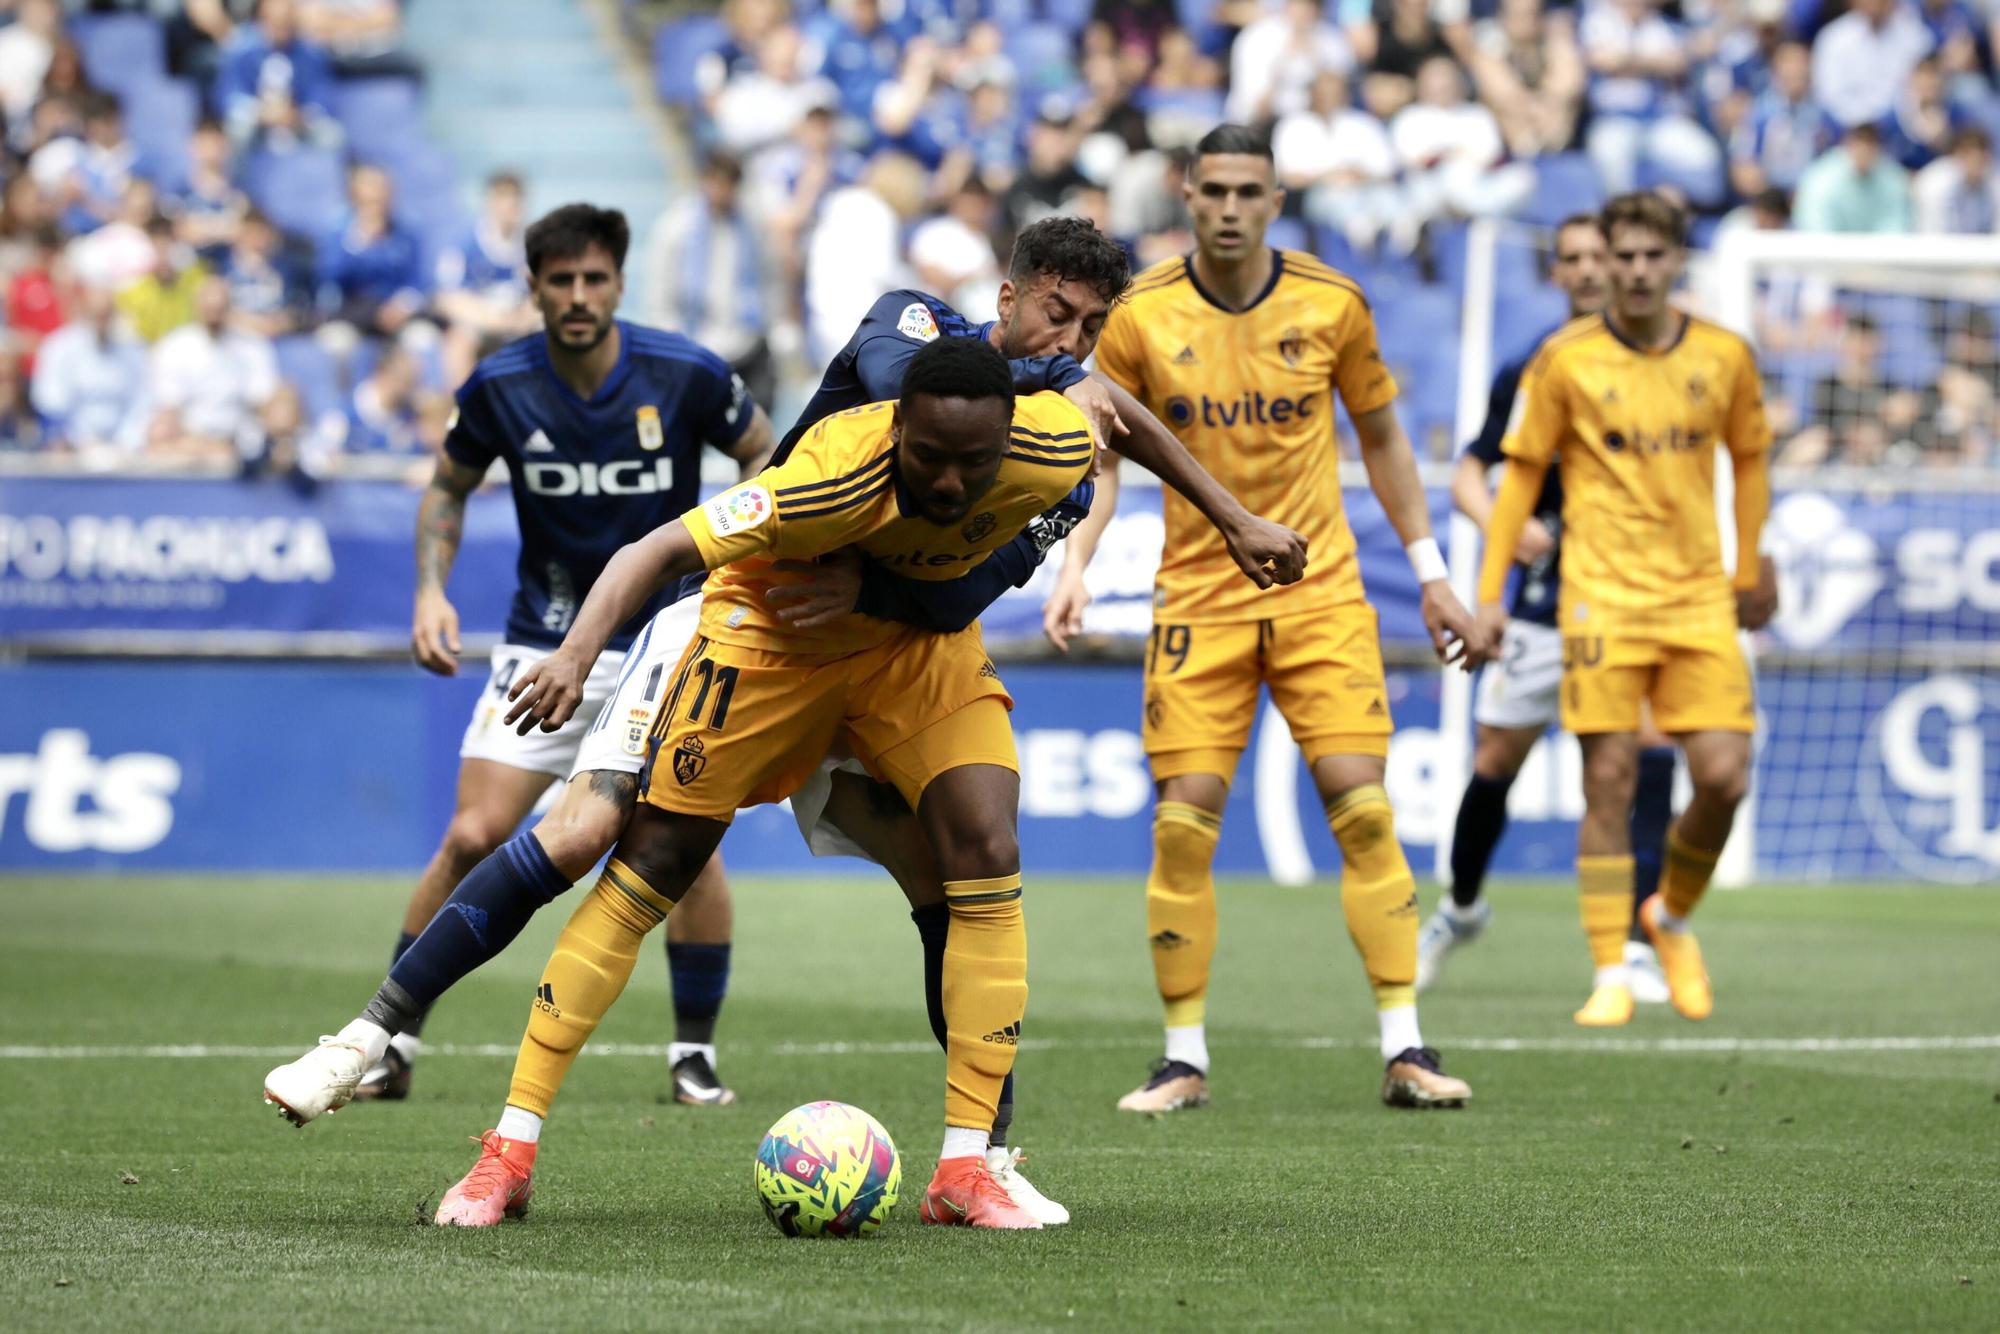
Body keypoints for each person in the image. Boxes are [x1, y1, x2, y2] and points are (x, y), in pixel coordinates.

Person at [418, 334, 1303, 1230]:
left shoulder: (1050, 442)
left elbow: (1117, 414)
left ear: (1009, 438)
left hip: (917, 657)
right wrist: (575, 655)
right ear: (895, 427)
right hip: (776, 646)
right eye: (929, 458)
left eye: (975, 461)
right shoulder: (828, 476)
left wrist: (1235, 520)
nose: (953, 483)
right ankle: (508, 1155)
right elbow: (655, 551)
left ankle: (965, 1169)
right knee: (649, 867)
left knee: (987, 851)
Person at [1045, 123, 1492, 1115]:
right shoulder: (1139, 314)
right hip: (1197, 600)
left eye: (1251, 190)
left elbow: (1381, 439)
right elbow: (1103, 455)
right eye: (1214, 190)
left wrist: (1429, 573)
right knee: (1181, 828)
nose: (1231, 207)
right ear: (1187, 194)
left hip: (1319, 590)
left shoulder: (1332, 302)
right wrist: (1074, 561)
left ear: (1276, 199)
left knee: (1363, 806)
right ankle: (1181, 1055)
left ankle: (1404, 1044)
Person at [295, 204, 775, 1104]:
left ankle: (692, 1056)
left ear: (620, 284)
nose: (580, 296)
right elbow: (447, 488)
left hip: (666, 644)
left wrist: (730, 566)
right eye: (561, 281)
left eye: (595, 279)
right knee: (473, 833)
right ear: (536, 288)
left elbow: (765, 457)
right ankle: (390, 1047)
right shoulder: (500, 384)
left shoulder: (685, 371)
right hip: (543, 643)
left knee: (689, 849)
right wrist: (430, 591)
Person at [1473, 191, 1776, 1028]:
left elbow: (1750, 461)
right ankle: (1610, 968)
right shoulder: (1564, 358)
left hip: (1696, 599)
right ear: (1603, 261)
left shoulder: (1724, 355)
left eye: (1654, 257)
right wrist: (1491, 595)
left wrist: (1754, 563)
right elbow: (1520, 477)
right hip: (1599, 599)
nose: (1637, 272)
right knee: (1605, 781)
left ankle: (1668, 917)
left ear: (1677, 261)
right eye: (1624, 257)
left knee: (1723, 778)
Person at [1415, 213, 1673, 1004]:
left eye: (1603, 255)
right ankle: (1458, 909)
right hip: (1543, 601)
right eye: (1575, 259)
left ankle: (1634, 939)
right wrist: (1505, 524)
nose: (1592, 270)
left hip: (1632, 596)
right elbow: (1468, 472)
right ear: (1557, 273)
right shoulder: (1534, 368)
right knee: (1497, 760)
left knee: (1641, 753)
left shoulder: (1665, 360)